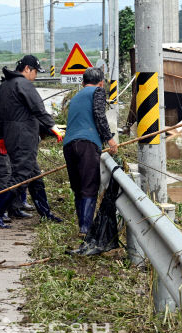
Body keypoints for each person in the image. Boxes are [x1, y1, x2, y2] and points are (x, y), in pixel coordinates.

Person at [0, 55, 64, 226]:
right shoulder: (23, 84)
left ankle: (45, 212)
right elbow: (38, 109)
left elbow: (0, 116)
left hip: (11, 136)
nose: (35, 76)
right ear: (27, 69)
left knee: (35, 176)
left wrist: (1, 138)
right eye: (35, 72)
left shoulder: (4, 86)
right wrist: (53, 128)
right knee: (20, 175)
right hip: (23, 137)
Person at [63, 67, 118, 236]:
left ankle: (83, 226)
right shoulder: (98, 92)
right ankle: (85, 229)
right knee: (89, 187)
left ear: (82, 82)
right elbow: (99, 116)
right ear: (101, 83)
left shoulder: (76, 96)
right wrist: (110, 140)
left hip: (69, 145)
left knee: (78, 187)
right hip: (87, 144)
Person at [0, 95, 34, 229]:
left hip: (8, 138)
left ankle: (14, 208)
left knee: (16, 172)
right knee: (3, 174)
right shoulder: (2, 98)